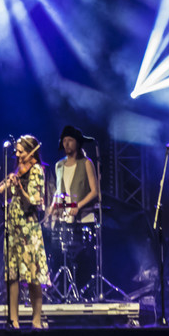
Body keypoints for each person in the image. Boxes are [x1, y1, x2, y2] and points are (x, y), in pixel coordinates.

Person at [0, 135, 48, 328]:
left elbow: (33, 202)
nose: (18, 155)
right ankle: (14, 320)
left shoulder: (37, 171)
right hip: (13, 229)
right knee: (12, 275)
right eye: (17, 151)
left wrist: (19, 188)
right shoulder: (17, 171)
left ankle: (36, 320)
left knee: (33, 276)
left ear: (31, 152)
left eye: (21, 151)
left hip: (29, 229)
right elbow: (2, 190)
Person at [51, 125, 101, 299]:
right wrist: (53, 205)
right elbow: (58, 190)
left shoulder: (86, 163)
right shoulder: (59, 165)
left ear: (77, 143)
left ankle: (83, 292)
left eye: (70, 140)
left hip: (84, 218)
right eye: (64, 141)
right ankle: (63, 291)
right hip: (65, 218)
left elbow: (95, 191)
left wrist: (78, 206)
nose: (67, 144)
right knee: (62, 256)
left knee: (83, 257)